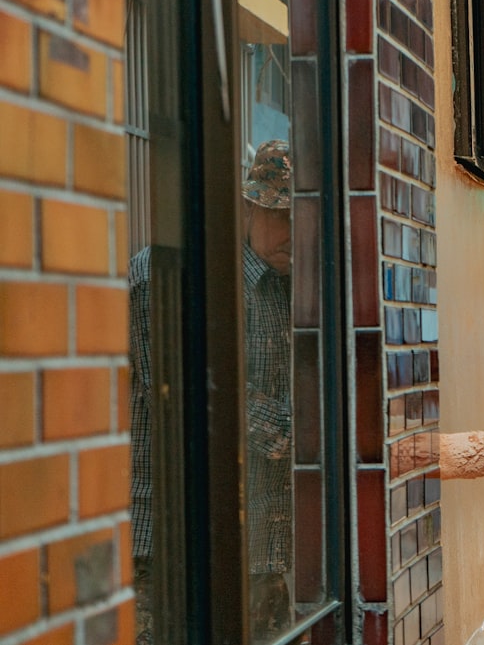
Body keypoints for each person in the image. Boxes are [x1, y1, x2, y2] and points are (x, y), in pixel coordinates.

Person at [129, 140, 295, 643]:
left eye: (304, 218)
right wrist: (304, 429)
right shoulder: (171, 277)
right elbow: (195, 392)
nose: (296, 232)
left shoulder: (297, 281)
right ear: (248, 207)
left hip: (263, 543)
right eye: (282, 215)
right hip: (172, 545)